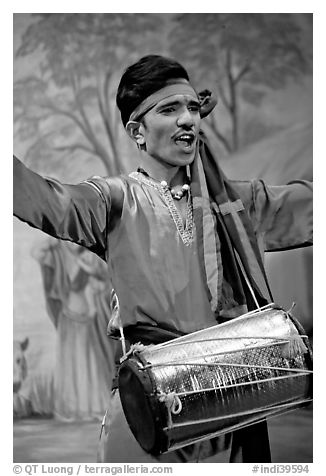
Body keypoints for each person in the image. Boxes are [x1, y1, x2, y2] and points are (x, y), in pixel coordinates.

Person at [13, 55, 312, 463]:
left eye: (192, 108)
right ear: (137, 131)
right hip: (151, 411)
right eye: (169, 109)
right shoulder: (115, 200)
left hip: (229, 409)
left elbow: (310, 207)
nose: (187, 119)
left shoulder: (235, 204)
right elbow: (47, 200)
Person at [33, 238, 116, 421]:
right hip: (72, 313)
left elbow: (97, 279)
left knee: (88, 362)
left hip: (84, 314)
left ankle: (91, 407)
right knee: (74, 361)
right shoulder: (63, 252)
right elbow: (39, 252)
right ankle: (75, 408)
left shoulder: (86, 257)